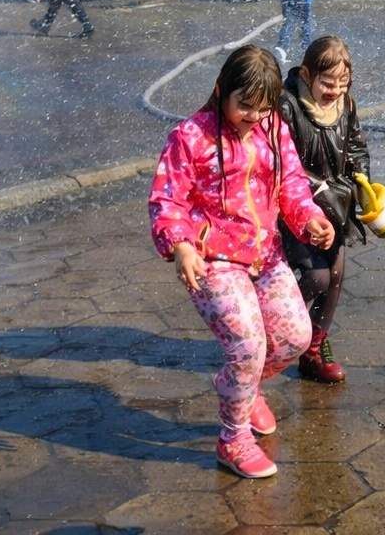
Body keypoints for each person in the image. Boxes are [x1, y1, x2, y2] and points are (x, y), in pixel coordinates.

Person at [149, 45, 335, 478]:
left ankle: (244, 387)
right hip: (212, 259)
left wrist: (310, 218)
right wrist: (181, 246)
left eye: (263, 107)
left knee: (294, 337)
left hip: (264, 255)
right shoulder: (190, 137)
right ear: (220, 92)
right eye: (244, 106)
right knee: (247, 346)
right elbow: (166, 200)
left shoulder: (273, 127)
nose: (254, 115)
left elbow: (291, 183)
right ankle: (232, 440)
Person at [278, 35, 370, 384]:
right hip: (298, 205)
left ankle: (314, 349)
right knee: (314, 277)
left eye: (341, 83)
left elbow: (357, 147)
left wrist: (365, 184)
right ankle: (276, 324)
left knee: (334, 276)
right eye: (327, 83)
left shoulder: (346, 105)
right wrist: (310, 190)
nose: (334, 90)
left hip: (337, 205)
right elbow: (279, 160)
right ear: (306, 73)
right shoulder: (286, 106)